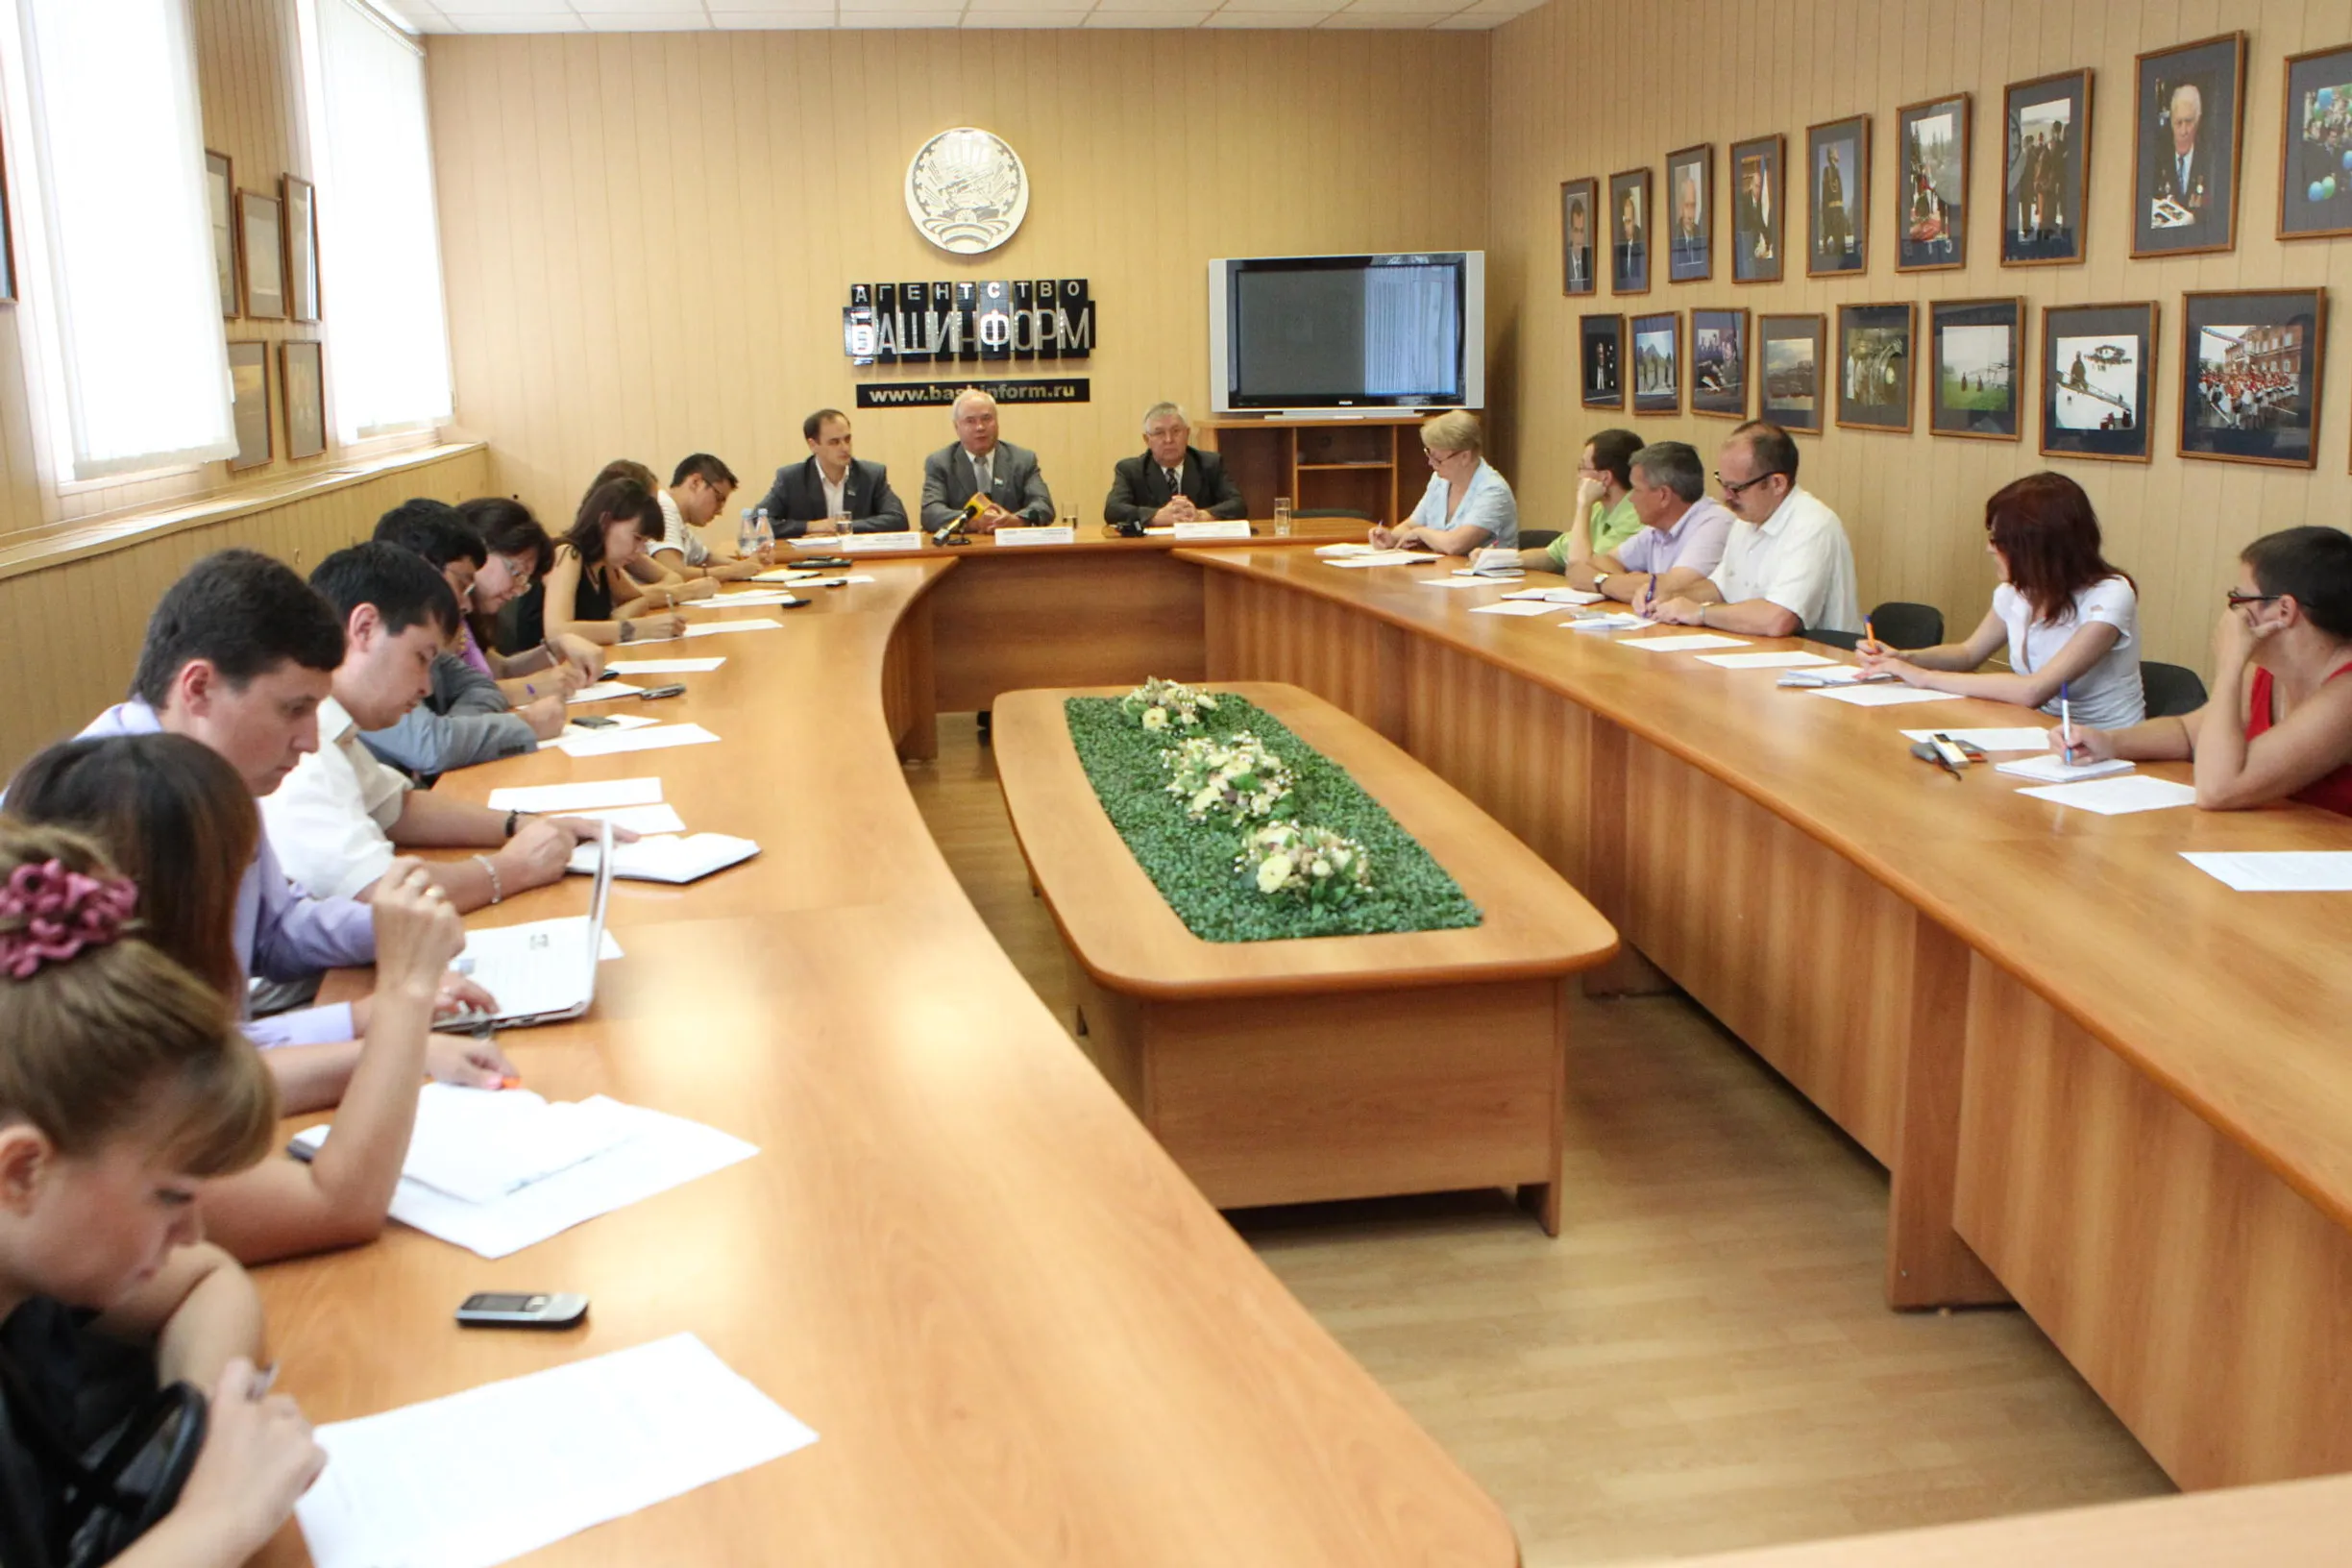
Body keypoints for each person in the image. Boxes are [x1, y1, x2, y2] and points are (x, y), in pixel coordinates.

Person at [8, 735, 511, 1262]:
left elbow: (210, 1078)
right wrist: (405, 994)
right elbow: (337, 1205)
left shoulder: (53, 1024)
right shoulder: (89, 1126)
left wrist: (398, 1052)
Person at [0, 819, 327, 1568]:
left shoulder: (27, 1262)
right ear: (21, 1173)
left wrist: (207, 1432)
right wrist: (215, 1520)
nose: (190, 1232)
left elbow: (207, 1279)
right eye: (170, 1196)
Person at [46, 549, 469, 1051]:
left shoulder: (220, 773)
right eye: (293, 710)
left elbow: (274, 928)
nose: (310, 741)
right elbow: (166, 1060)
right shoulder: (93, 812)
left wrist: (392, 926)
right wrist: (370, 1018)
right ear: (199, 688)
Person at [259, 542, 615, 910]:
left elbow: (398, 809)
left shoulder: (336, 728)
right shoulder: (302, 750)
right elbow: (381, 894)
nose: (427, 687)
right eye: (421, 658)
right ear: (364, 628)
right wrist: (514, 868)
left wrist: (522, 825)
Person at [2057, 526, 2352, 814]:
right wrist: (2108, 742)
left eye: (2239, 599)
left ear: (2284, 610)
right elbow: (2188, 733)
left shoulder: (2345, 694)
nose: (2232, 613)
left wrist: (2230, 663)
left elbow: (2218, 790)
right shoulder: (2266, 672)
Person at [1858, 474, 2144, 726]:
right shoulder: (2015, 592)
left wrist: (1923, 677)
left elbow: (2033, 690)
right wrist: (1904, 658)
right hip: (2036, 733)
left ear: (2036, 547)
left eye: (1998, 540)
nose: (1989, 549)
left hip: (2108, 748)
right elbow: (1968, 654)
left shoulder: (2110, 596)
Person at [366, 500, 562, 775]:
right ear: (423, 566)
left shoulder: (425, 639)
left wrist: (454, 731)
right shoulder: (373, 641)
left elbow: (484, 687)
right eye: (461, 584)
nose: (466, 604)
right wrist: (527, 725)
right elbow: (432, 747)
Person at [1650, 422, 1860, 637]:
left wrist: (1700, 613)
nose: (1726, 497)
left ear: (1777, 483)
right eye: (1723, 483)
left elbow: (1778, 620)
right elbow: (1720, 589)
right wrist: (1670, 598)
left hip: (1818, 652)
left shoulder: (1813, 525)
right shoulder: (1747, 519)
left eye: (1736, 488)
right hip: (1753, 646)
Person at [1522, 441, 1731, 606]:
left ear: (1663, 495)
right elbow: (1583, 566)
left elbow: (1668, 591)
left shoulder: (1714, 524)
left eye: (1637, 490)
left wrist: (1602, 581)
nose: (1631, 499)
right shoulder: (1656, 529)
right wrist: (1631, 582)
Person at [453, 495, 603, 704]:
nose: (517, 590)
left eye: (524, 580)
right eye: (516, 572)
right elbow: (450, 699)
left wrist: (557, 647)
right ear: (479, 549)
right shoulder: (437, 612)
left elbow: (502, 669)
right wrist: (531, 688)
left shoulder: (466, 616)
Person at [540, 478, 691, 649]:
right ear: (605, 521)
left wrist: (615, 620)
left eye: (645, 542)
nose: (640, 550)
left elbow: (639, 600)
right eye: (637, 538)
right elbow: (557, 632)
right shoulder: (568, 554)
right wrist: (634, 629)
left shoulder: (604, 566)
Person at [1370, 411, 1518, 556]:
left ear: (1465, 456)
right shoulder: (1440, 480)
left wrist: (1421, 533)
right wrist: (1391, 537)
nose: (1430, 463)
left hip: (1485, 571)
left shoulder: (1493, 490)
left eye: (1438, 459)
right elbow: (1411, 525)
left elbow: (1455, 545)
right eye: (1429, 454)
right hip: (1445, 569)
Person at [755, 409, 911, 535]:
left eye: (847, 439)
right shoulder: (792, 478)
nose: (845, 448)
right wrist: (810, 526)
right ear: (813, 445)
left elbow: (898, 519)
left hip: (858, 558)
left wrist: (841, 526)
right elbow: (756, 522)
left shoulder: (871, 475)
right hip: (809, 559)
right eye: (834, 442)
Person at [920, 389, 1054, 534]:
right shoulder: (940, 463)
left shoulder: (1022, 460)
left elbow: (1043, 505)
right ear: (956, 427)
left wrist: (1016, 520)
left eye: (986, 419)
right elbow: (931, 514)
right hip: (965, 545)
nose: (980, 427)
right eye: (970, 421)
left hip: (1011, 544)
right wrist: (975, 522)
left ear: (997, 422)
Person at [1105, 403, 1246, 527]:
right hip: (1153, 546)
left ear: (1187, 434)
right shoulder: (1130, 470)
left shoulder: (1210, 464)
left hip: (1197, 544)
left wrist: (1202, 515)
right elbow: (1113, 510)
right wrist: (1155, 517)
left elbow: (1238, 505)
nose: (1169, 439)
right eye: (1159, 433)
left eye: (1176, 431)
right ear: (1147, 439)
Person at [650, 453, 771, 582]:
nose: (720, 511)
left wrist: (746, 565)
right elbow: (673, 572)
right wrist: (731, 571)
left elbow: (705, 558)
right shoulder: (663, 507)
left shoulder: (677, 517)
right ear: (695, 483)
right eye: (718, 499)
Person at [2153, 82, 2211, 220]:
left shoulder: (2210, 159)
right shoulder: (2157, 155)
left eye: (2189, 122)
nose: (2183, 131)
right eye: (2178, 123)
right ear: (2171, 121)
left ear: (2198, 120)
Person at [1818, 145, 1852, 257]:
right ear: (1831, 155)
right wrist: (1826, 218)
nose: (1838, 154)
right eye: (1836, 152)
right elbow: (1825, 195)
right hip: (1832, 214)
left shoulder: (1836, 170)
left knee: (1841, 245)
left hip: (1839, 212)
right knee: (1833, 247)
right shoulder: (1827, 171)